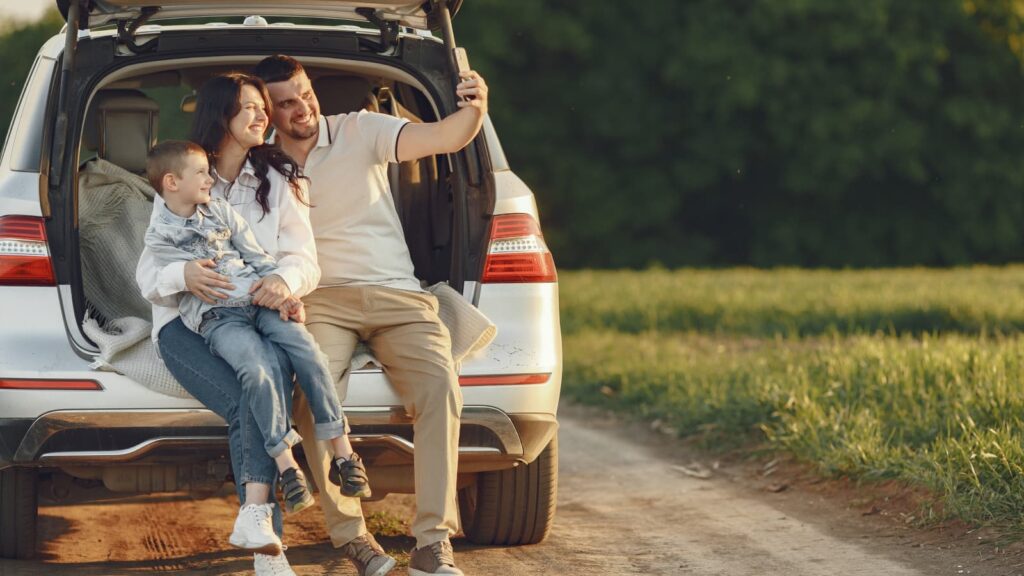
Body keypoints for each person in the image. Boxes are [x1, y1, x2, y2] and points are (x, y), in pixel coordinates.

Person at [136, 73, 392, 576]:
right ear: (221, 118)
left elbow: (305, 260)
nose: (262, 115)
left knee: (266, 379)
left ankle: (263, 542)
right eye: (249, 108)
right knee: (251, 394)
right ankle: (266, 548)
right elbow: (148, 273)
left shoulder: (282, 179)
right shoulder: (186, 177)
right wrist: (181, 274)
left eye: (261, 107)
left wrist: (283, 283)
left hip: (260, 308)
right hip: (187, 324)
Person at [253, 54, 489, 576]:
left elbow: (447, 137)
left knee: (440, 386)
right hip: (318, 301)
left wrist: (476, 106)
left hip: (397, 296)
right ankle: (355, 540)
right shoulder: (259, 163)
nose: (303, 109)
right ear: (265, 111)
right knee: (315, 400)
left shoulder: (361, 129)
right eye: (286, 103)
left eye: (305, 94)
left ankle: (432, 543)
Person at [142, 138, 371, 515]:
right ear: (171, 182)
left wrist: (284, 293)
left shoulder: (220, 210)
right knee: (257, 370)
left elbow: (257, 256)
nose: (208, 180)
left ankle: (344, 452)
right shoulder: (159, 236)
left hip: (259, 300)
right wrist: (182, 274)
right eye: (200, 173)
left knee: (309, 353)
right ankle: (287, 466)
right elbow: (159, 284)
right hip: (218, 318)